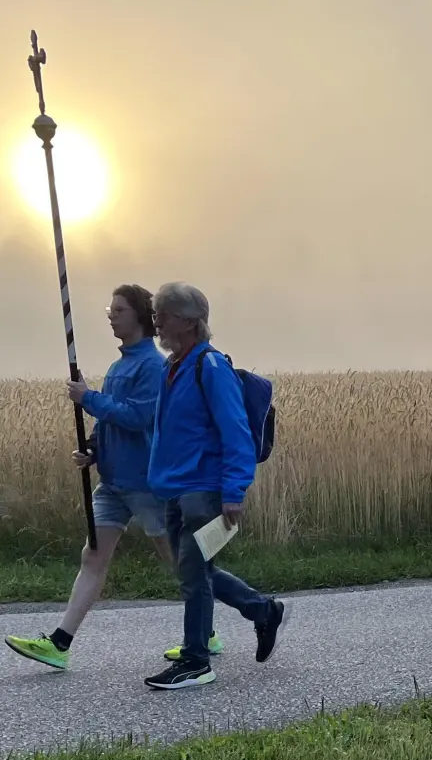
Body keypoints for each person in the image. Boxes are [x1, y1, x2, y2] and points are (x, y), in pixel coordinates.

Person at [5, 285, 204, 669]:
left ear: (140, 316)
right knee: (93, 557)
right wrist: (93, 449)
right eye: (109, 309)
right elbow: (109, 422)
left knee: (176, 559)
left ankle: (207, 628)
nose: (111, 315)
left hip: (146, 484)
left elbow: (138, 417)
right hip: (112, 484)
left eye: (119, 309)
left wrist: (88, 398)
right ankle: (59, 644)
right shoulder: (119, 366)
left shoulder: (152, 366)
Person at [141, 282, 288, 690]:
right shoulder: (174, 368)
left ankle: (196, 661)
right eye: (155, 315)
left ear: (190, 322)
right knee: (195, 569)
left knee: (193, 574)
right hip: (175, 488)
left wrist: (234, 491)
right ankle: (263, 610)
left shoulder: (210, 367)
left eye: (163, 316)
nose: (157, 324)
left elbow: (236, 432)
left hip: (202, 490)